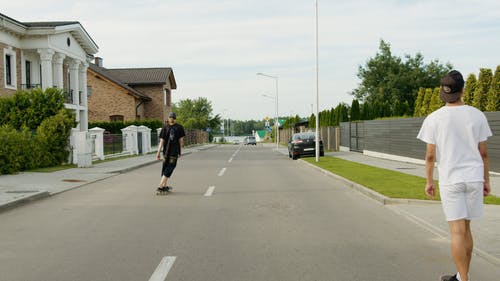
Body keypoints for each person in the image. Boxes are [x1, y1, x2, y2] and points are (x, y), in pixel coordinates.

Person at [417, 70, 492, 281]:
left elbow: (430, 156)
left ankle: (464, 279)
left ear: (443, 92)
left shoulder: (434, 118)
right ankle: (461, 276)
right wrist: (486, 180)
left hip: (451, 179)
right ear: (463, 91)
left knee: (457, 232)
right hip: (474, 178)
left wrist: (429, 181)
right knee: (466, 229)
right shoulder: (477, 115)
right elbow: (483, 153)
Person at [156, 112, 185, 192]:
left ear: (168, 118)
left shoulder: (165, 127)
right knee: (170, 168)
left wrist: (158, 153)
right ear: (175, 118)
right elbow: (181, 141)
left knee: (165, 168)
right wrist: (180, 152)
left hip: (166, 152)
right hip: (174, 152)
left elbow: (161, 141)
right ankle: (160, 186)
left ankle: (164, 186)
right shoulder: (179, 127)